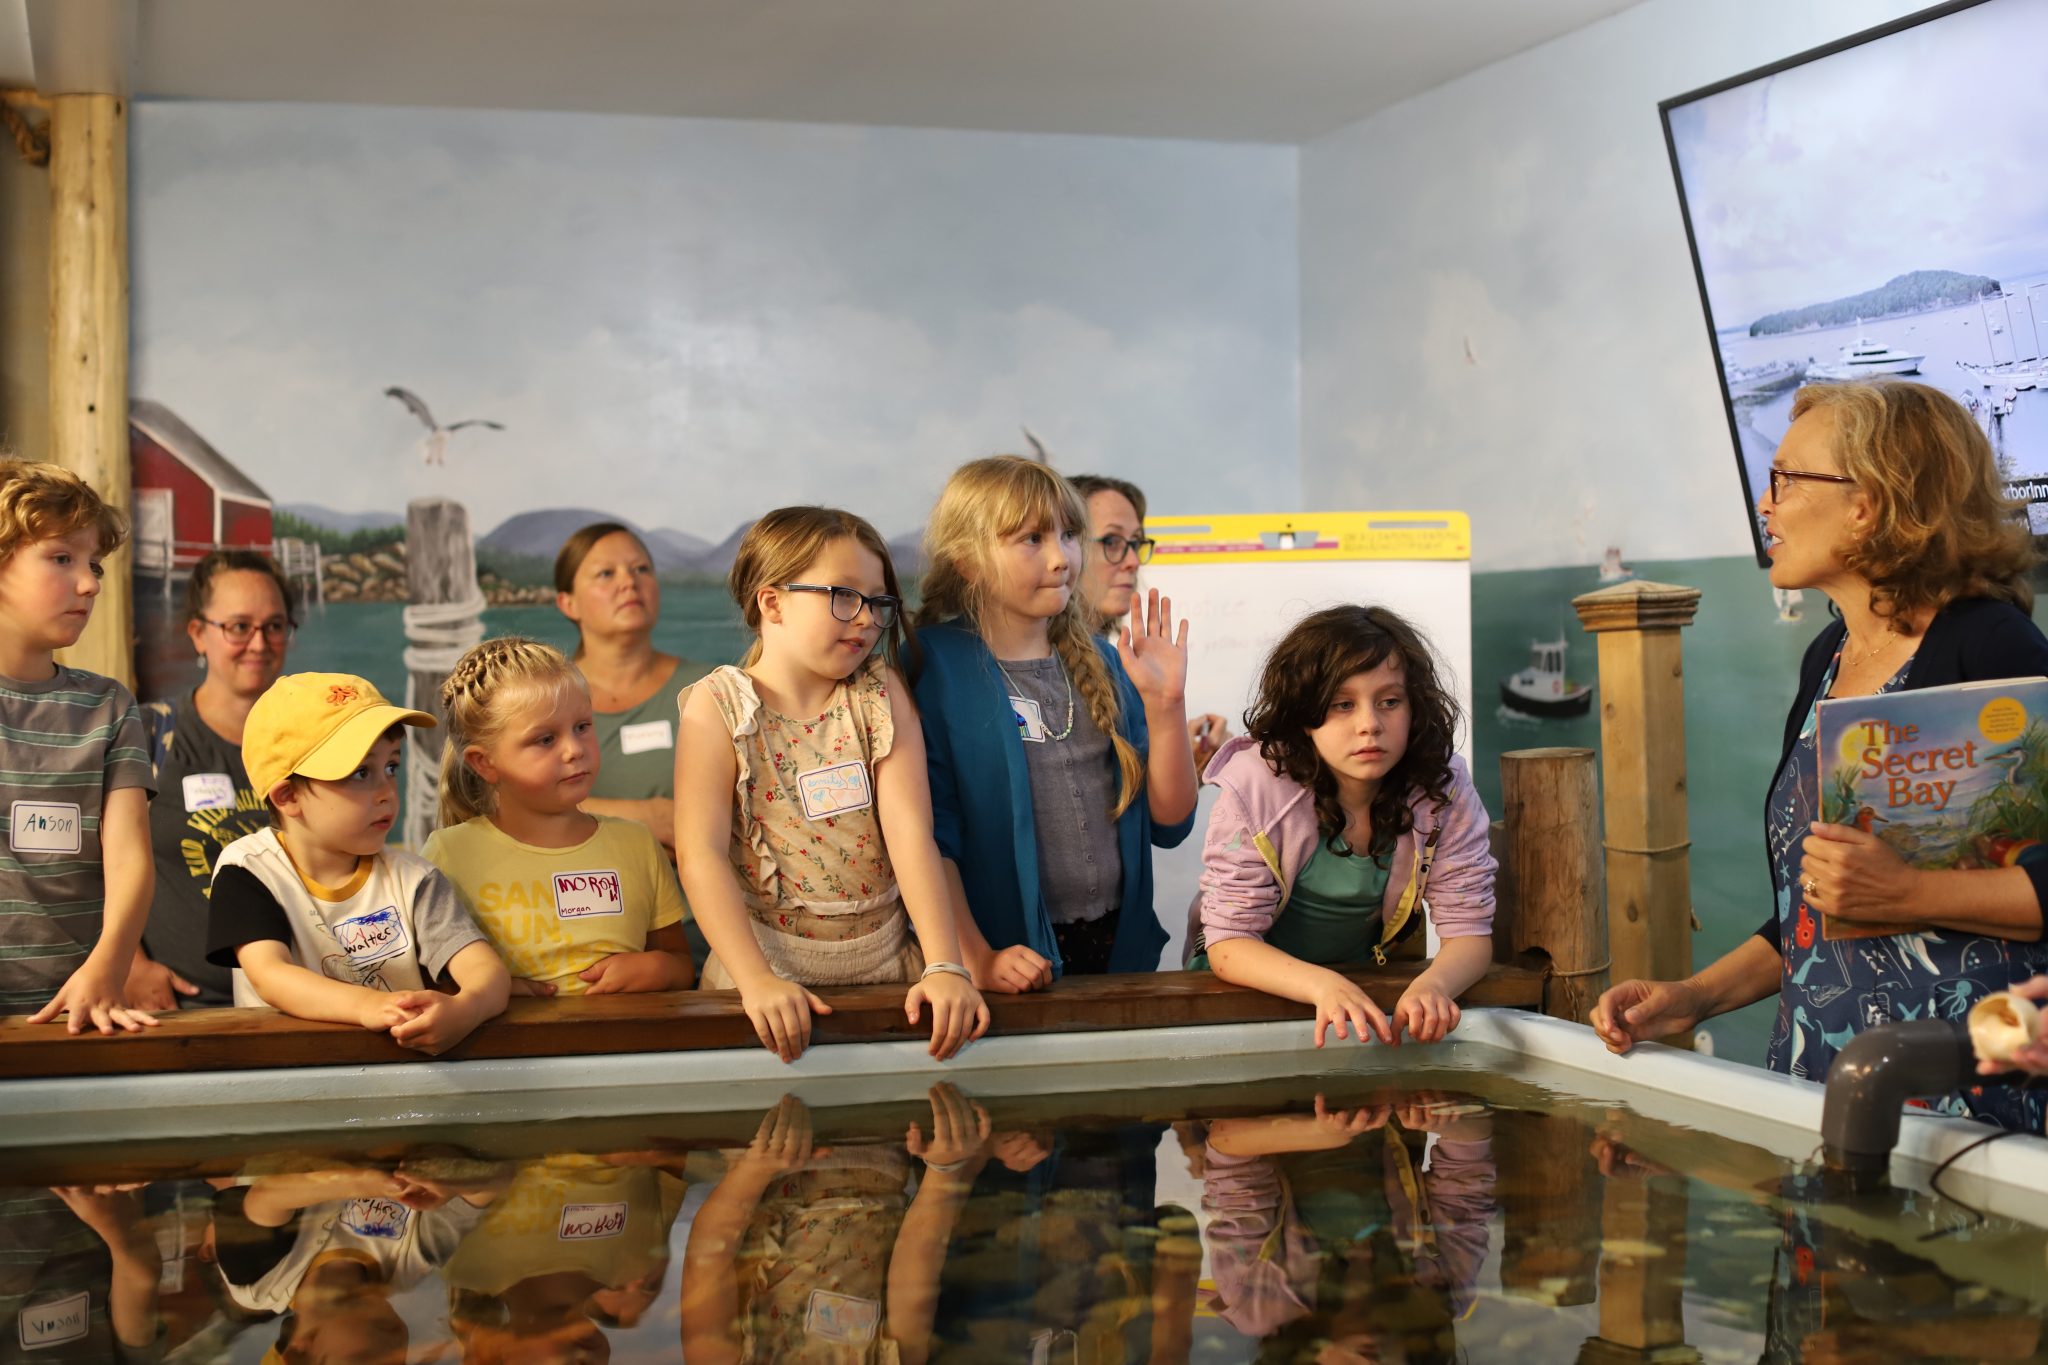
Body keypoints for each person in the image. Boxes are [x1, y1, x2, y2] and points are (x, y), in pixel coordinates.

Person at [1593, 378, 2048, 1130]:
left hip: (1965, 1109)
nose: (1764, 504)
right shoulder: (1828, 655)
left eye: (1785, 479)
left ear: (1867, 502)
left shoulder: (1991, 645)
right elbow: (1814, 915)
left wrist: (1910, 893)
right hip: (1824, 1088)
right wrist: (1693, 997)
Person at [676, 506, 988, 1061]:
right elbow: (699, 854)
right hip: (762, 976)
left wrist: (944, 964)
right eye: (844, 595)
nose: (866, 618)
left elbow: (911, 833)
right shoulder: (718, 705)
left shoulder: (878, 692)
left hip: (890, 969)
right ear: (772, 602)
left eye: (878, 600)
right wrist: (756, 980)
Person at [913, 456, 1199, 990]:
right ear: (968, 561)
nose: (1061, 557)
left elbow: (1169, 822)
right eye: (1032, 539)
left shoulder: (1105, 660)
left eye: (1069, 535)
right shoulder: (933, 667)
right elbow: (929, 836)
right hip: (1004, 962)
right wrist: (976, 956)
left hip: (1118, 954)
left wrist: (1167, 706)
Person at [1192, 606, 1496, 1048]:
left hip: (1357, 995)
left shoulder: (1441, 787)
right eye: (1343, 704)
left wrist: (1435, 986)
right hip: (1244, 999)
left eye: (1390, 701)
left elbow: (1469, 930)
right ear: (1305, 714)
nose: (1369, 724)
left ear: (1415, 707)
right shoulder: (1257, 788)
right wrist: (1323, 986)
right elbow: (1229, 942)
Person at [204, 672, 510, 1054]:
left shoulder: (414, 878)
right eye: (361, 773)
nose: (386, 792)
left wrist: (465, 1010)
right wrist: (370, 1006)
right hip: (285, 1072)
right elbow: (271, 975)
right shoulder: (248, 870)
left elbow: (487, 973)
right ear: (287, 797)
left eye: (391, 767)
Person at [422, 637, 694, 998]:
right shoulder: (448, 854)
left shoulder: (638, 844)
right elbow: (424, 979)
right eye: (546, 739)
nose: (574, 750)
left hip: (626, 1032)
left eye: (582, 727)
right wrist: (489, 989)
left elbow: (681, 963)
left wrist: (658, 968)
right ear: (484, 762)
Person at [0, 457, 158, 1035]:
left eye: (93, 564)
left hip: (79, 1014)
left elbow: (129, 860)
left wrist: (109, 967)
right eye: (61, 557)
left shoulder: (108, 707)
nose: (90, 583)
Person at [135, 549, 298, 1010]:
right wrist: (127, 963)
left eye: (274, 626)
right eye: (239, 626)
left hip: (303, 1008)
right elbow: (91, 866)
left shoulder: (316, 745)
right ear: (198, 634)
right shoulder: (148, 734)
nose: (259, 643)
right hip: (181, 1011)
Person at [554, 522, 703, 852]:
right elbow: (510, 805)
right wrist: (646, 817)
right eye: (606, 573)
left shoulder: (710, 689)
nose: (629, 582)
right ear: (568, 603)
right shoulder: (545, 701)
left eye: (641, 569)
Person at [1070, 472, 1230, 771]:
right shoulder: (1036, 667)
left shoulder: (1119, 664)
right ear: (1065, 547)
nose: (1133, 561)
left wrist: (1183, 756)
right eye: (1112, 541)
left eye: (1136, 543)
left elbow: (1129, 791)